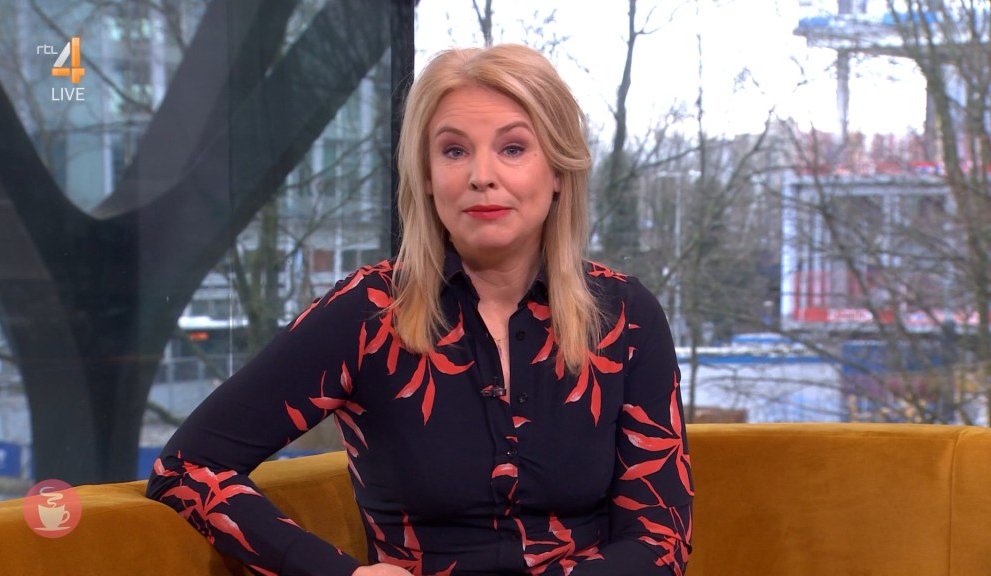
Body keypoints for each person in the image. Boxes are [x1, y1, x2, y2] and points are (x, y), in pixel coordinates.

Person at [146, 43, 693, 576]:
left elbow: (660, 540)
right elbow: (186, 468)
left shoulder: (626, 317)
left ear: (557, 171)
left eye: (512, 148)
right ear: (427, 177)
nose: (481, 175)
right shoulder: (367, 313)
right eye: (454, 151)